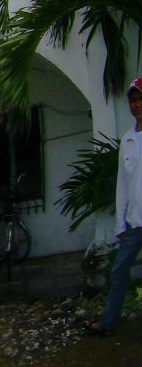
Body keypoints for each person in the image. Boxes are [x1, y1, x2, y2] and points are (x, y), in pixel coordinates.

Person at [89, 77, 142, 336]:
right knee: (119, 272)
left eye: (140, 99)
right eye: (133, 100)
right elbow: (123, 184)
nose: (137, 105)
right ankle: (108, 323)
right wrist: (120, 222)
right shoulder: (128, 140)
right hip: (134, 224)